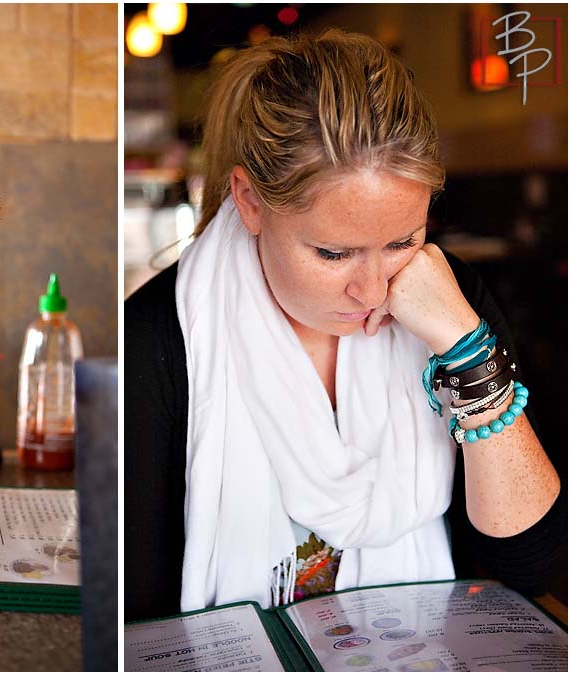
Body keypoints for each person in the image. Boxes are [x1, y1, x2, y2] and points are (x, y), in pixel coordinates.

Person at [125, 29, 565, 621]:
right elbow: (135, 607)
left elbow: (530, 564)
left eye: (402, 241)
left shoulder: (447, 294)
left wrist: (465, 347)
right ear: (250, 200)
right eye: (334, 254)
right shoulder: (158, 340)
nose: (375, 289)